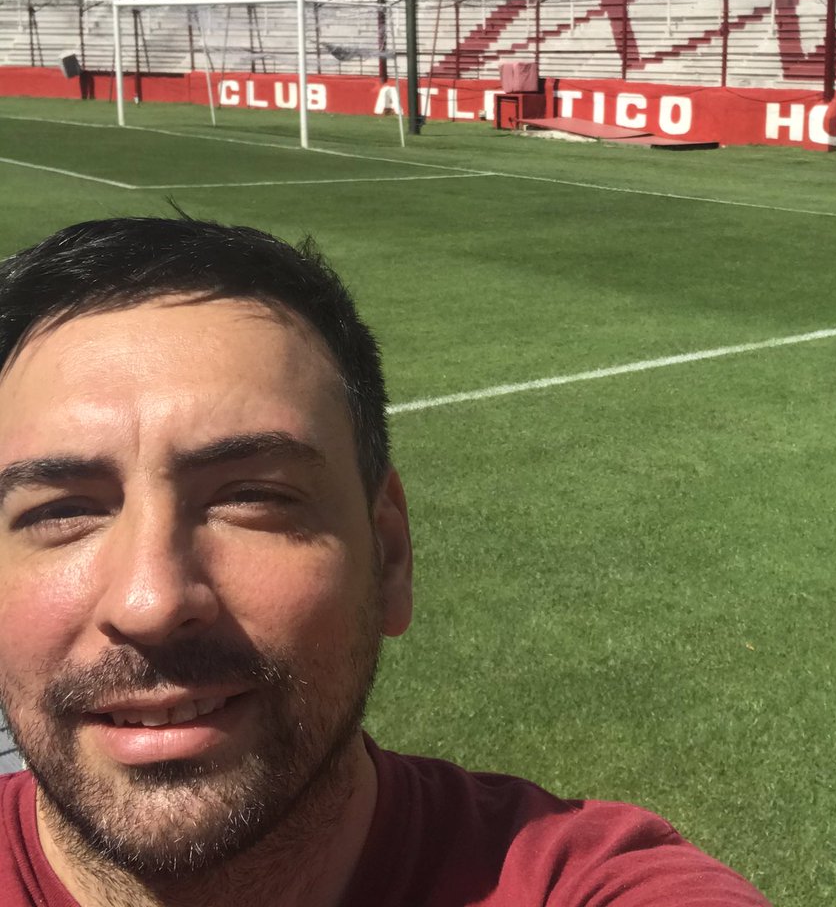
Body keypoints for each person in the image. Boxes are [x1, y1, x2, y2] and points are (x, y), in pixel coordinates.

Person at [0, 217, 770, 907]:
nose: (151, 599)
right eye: (61, 510)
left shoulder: (576, 882)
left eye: (251, 498)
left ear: (390, 555)